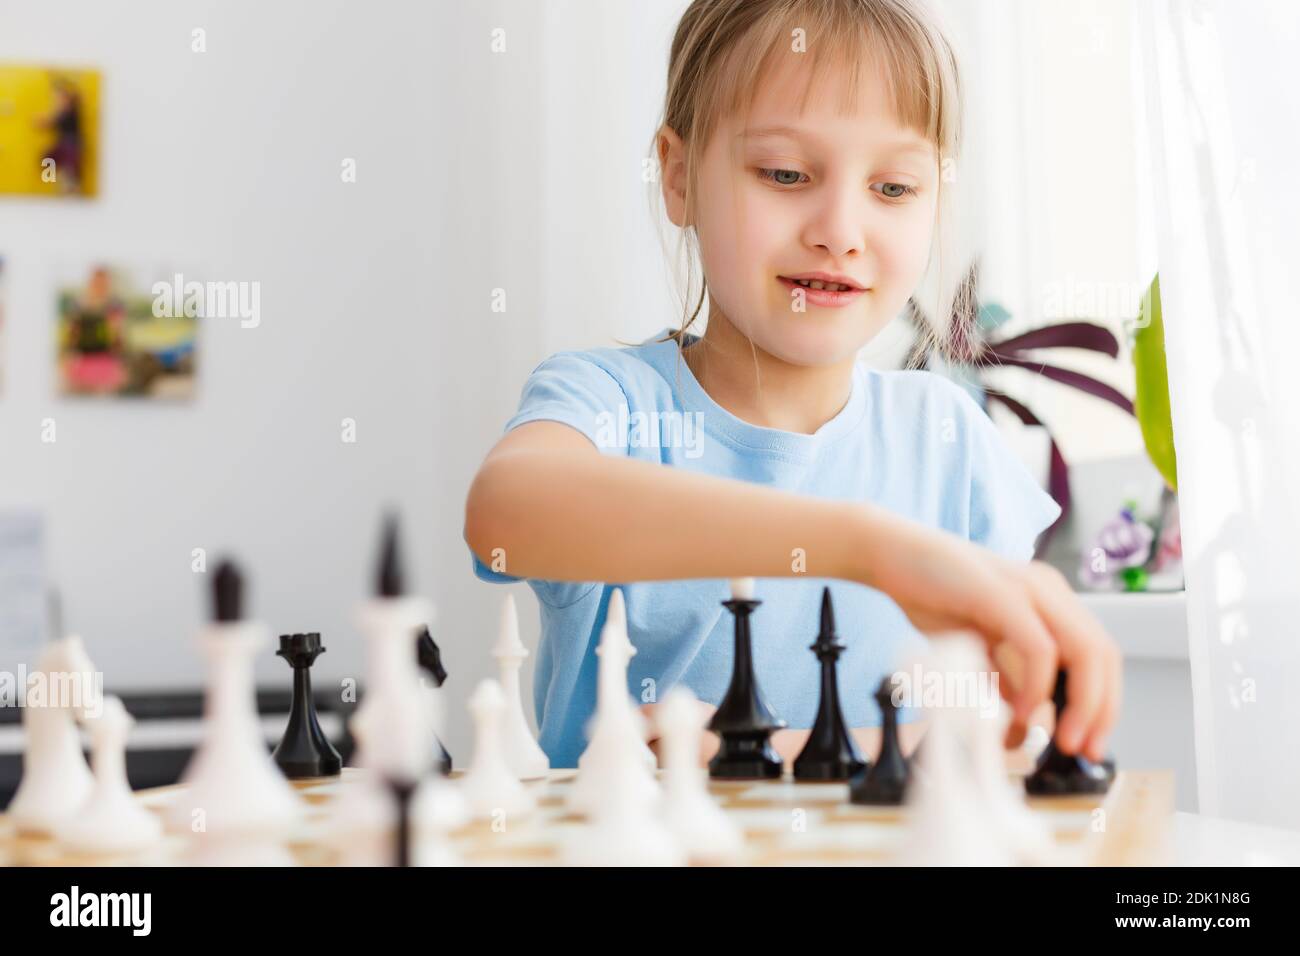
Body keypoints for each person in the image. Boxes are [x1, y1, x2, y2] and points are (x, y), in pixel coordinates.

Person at [464, 0, 1121, 769]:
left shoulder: (947, 436)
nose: (839, 229)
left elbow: (1003, 725)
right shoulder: (610, 402)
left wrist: (770, 753)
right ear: (677, 177)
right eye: (784, 173)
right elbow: (505, 515)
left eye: (895, 188)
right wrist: (870, 549)